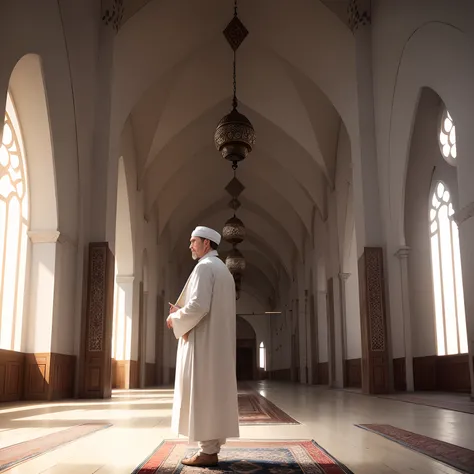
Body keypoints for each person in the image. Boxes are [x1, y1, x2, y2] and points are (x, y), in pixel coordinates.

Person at [166, 226, 239, 467]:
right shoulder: (224, 271)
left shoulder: (205, 267)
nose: (190, 246)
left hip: (204, 346)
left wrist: (175, 317)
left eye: (193, 241)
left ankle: (207, 452)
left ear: (206, 244)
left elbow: (198, 306)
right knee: (213, 395)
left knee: (203, 394)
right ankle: (211, 448)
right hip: (216, 345)